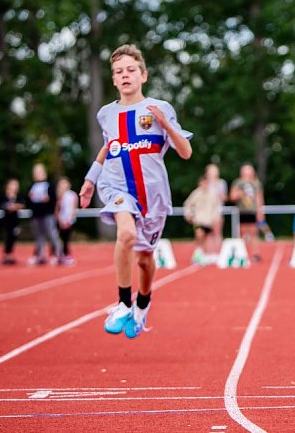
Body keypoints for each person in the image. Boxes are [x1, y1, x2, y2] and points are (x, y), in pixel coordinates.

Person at [78, 44, 193, 339]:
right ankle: (122, 303)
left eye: (130, 70)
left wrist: (166, 124)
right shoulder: (106, 114)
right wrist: (91, 179)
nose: (125, 75)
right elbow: (109, 145)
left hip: (153, 196)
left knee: (144, 259)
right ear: (113, 80)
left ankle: (143, 302)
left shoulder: (161, 108)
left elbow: (186, 152)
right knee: (126, 234)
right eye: (118, 72)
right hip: (116, 186)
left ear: (143, 75)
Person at [27, 163, 61, 266]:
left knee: (52, 234)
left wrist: (48, 199)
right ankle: (41, 256)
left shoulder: (49, 185)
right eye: (36, 172)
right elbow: (28, 202)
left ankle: (59, 254)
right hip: (37, 214)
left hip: (48, 213)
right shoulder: (32, 186)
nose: (38, 174)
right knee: (39, 236)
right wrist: (30, 198)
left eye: (40, 172)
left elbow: (54, 200)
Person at [183, 175, 222, 265]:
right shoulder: (196, 194)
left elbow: (216, 207)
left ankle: (201, 254)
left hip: (208, 221)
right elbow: (188, 204)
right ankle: (198, 252)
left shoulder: (212, 195)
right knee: (199, 234)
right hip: (198, 220)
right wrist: (189, 215)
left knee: (205, 237)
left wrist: (215, 218)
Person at [230, 163, 264, 263]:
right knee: (241, 233)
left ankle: (255, 254)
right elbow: (232, 196)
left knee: (254, 233)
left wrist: (260, 211)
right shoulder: (237, 182)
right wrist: (240, 194)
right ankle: (242, 254)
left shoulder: (256, 183)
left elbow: (259, 198)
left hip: (252, 211)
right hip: (241, 211)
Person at [204, 163, 227, 255]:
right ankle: (209, 253)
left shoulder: (221, 183)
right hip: (207, 212)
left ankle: (218, 253)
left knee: (217, 233)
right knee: (208, 234)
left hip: (218, 211)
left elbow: (224, 197)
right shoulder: (205, 183)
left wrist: (216, 186)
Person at [1, 179, 25, 265]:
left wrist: (14, 206)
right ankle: (6, 254)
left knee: (13, 237)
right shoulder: (5, 196)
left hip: (15, 221)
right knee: (8, 237)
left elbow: (21, 205)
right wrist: (14, 207)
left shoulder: (18, 196)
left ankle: (10, 254)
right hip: (7, 221)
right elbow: (5, 207)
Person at [56, 177, 78, 266]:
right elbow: (57, 209)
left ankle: (66, 255)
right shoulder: (59, 195)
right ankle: (59, 255)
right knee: (59, 238)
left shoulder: (72, 195)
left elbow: (74, 207)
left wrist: (70, 219)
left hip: (69, 220)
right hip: (60, 220)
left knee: (66, 238)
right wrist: (59, 219)